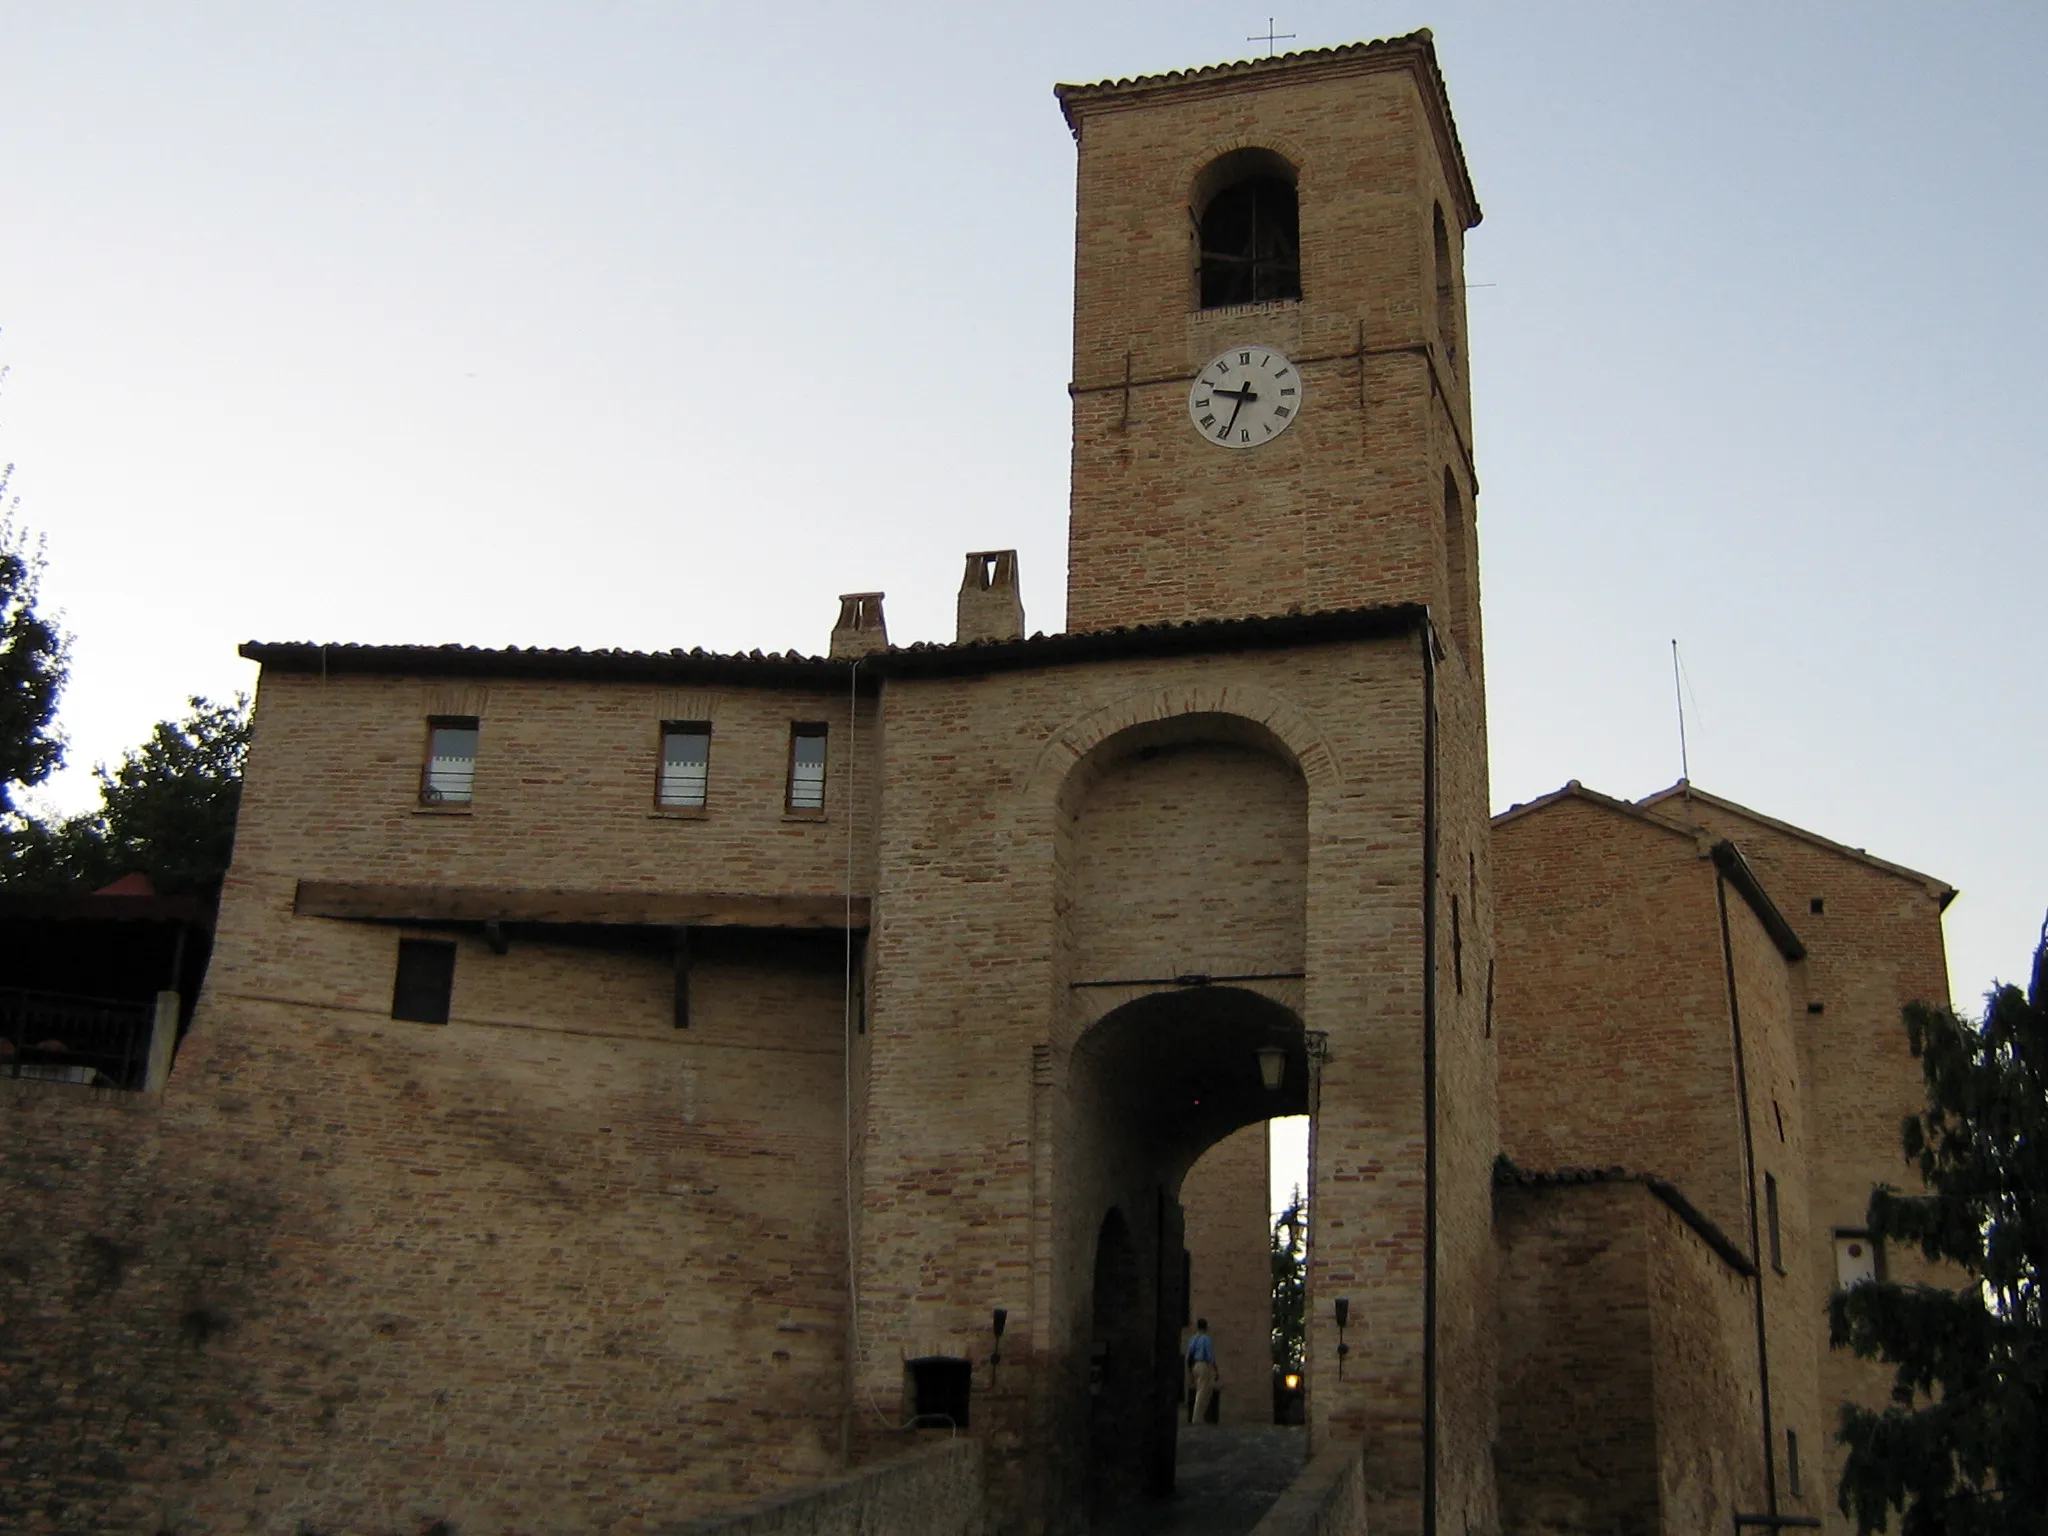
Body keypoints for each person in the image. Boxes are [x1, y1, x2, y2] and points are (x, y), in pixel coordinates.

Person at [1186, 1317, 1218, 1424]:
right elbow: (1210, 1356)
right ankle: (1197, 1418)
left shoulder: (1193, 1339)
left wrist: (1190, 1369)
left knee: (1200, 1390)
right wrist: (1215, 1369)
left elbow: (1189, 1355)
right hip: (1203, 1364)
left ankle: (1198, 1416)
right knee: (1203, 1392)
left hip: (1194, 1365)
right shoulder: (1205, 1339)